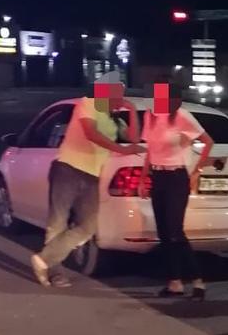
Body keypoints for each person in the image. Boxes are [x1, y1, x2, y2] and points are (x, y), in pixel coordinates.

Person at [30, 71, 143, 288]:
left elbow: (135, 139)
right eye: (116, 92)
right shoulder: (88, 104)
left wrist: (130, 109)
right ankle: (55, 272)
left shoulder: (114, 120)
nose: (120, 97)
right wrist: (121, 149)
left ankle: (43, 259)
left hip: (93, 176)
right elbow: (91, 134)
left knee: (88, 227)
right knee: (58, 222)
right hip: (68, 169)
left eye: (121, 93)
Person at [138, 79, 215, 299]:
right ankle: (175, 282)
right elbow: (150, 150)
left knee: (175, 230)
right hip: (158, 176)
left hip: (177, 177)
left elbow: (208, 142)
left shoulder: (181, 116)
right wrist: (143, 178)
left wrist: (196, 171)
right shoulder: (150, 116)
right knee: (163, 231)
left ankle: (198, 281)